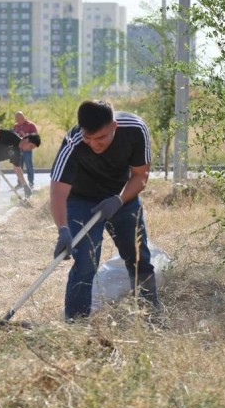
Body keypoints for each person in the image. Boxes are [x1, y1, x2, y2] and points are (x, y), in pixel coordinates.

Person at [50, 100, 161, 320]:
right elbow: (58, 193)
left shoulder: (135, 129)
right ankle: (76, 322)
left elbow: (141, 176)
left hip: (122, 196)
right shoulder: (73, 143)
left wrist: (119, 200)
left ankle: (150, 316)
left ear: (114, 126)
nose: (94, 144)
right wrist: (63, 229)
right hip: (82, 200)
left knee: (138, 257)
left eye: (100, 137)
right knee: (85, 261)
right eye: (88, 138)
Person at [13, 111, 39, 189]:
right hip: (18, 149)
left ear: (23, 117)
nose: (18, 121)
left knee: (29, 166)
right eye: (17, 120)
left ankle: (31, 183)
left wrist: (26, 135)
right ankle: (20, 183)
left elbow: (36, 137)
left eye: (19, 119)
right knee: (18, 166)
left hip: (27, 149)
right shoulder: (15, 126)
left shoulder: (31, 125)